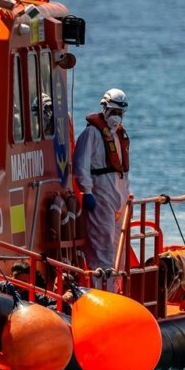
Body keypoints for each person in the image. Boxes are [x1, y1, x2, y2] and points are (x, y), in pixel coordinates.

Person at [73, 88, 130, 274]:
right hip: (101, 193)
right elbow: (81, 164)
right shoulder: (91, 134)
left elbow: (122, 169)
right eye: (113, 112)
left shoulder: (118, 135)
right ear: (105, 109)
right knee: (102, 240)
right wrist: (87, 192)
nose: (116, 116)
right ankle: (102, 281)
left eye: (119, 113)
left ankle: (116, 281)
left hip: (118, 195)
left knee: (117, 242)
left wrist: (125, 194)